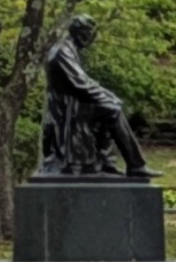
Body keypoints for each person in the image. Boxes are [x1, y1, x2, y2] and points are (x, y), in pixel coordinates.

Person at [39, 14, 150, 178]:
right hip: (67, 108)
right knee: (112, 110)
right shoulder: (62, 51)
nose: (89, 38)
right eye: (86, 34)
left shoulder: (69, 49)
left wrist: (108, 95)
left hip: (76, 104)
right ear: (78, 32)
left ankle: (107, 162)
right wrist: (108, 98)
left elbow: (85, 80)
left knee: (112, 107)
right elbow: (80, 84)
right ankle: (134, 165)